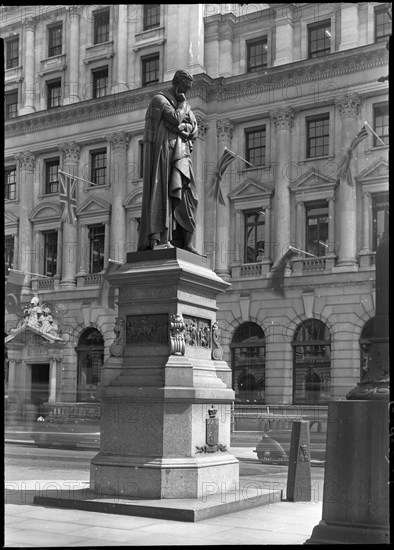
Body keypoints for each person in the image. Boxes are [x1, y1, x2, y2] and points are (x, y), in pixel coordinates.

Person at [137, 69, 199, 253]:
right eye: (185, 87)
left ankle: (186, 242)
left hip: (182, 154)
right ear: (177, 83)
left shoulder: (180, 103)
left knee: (190, 197)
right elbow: (174, 117)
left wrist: (184, 127)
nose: (186, 92)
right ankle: (161, 237)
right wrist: (184, 107)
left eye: (188, 89)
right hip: (166, 154)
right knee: (164, 194)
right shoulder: (160, 99)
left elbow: (194, 128)